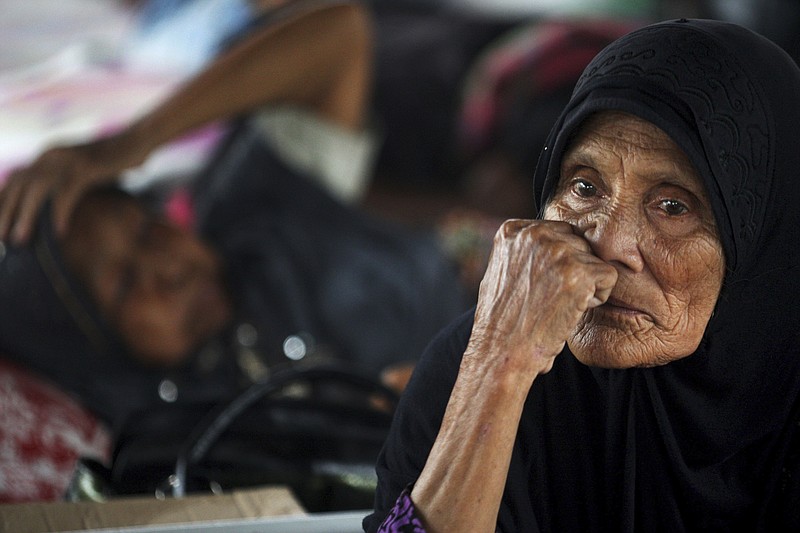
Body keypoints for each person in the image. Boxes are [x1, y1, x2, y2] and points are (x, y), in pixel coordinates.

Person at [363, 18, 800, 532]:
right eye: (585, 188)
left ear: (764, 238)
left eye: (672, 206)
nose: (609, 244)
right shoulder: (478, 367)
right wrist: (498, 369)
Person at [0, 1, 466, 429]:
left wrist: (133, 143)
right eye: (124, 283)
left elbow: (340, 35)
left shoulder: (256, 215)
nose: (168, 266)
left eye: (147, 229)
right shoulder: (179, 444)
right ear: (92, 354)